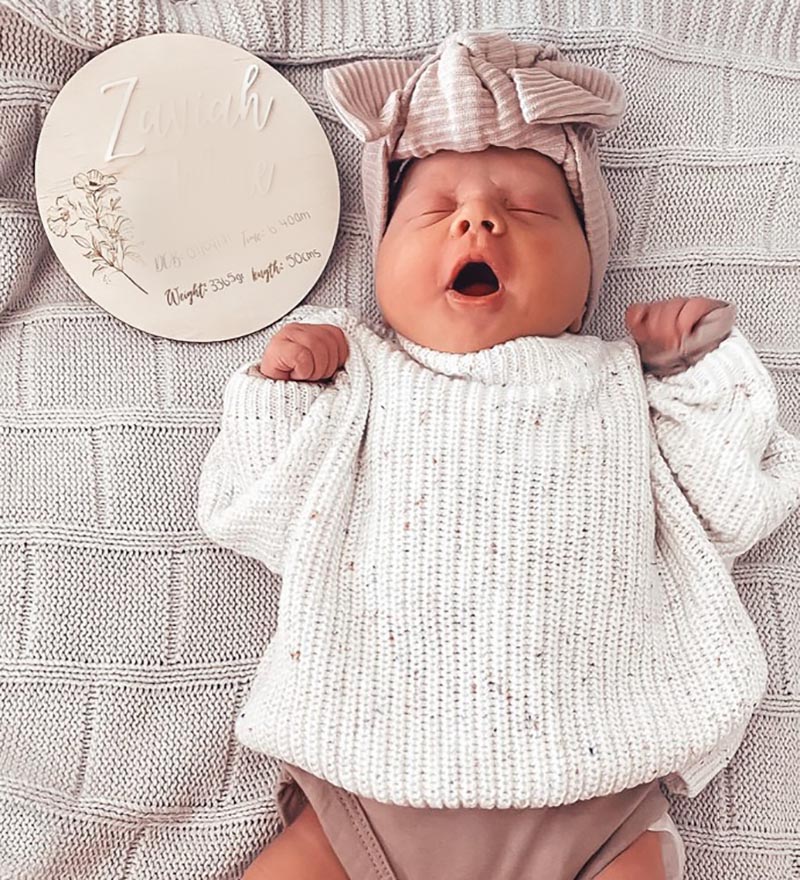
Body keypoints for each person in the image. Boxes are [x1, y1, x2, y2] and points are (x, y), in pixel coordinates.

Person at [195, 28, 800, 880]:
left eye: (529, 210)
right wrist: (284, 389)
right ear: (380, 264)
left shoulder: (620, 383)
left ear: (587, 272)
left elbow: (733, 504)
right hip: (368, 773)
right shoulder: (363, 376)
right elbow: (250, 510)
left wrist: (696, 374)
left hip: (596, 785)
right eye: (436, 209)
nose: (479, 219)